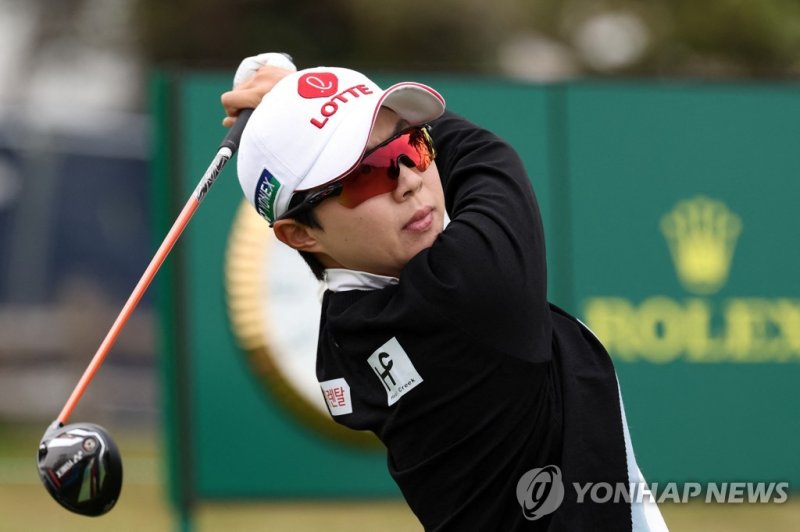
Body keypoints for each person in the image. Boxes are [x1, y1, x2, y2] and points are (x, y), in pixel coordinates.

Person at [221, 55, 668, 531]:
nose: (410, 180)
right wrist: (297, 92)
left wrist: (300, 104)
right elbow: (484, 156)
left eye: (412, 146)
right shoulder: (468, 292)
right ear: (298, 235)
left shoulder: (345, 331)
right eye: (365, 174)